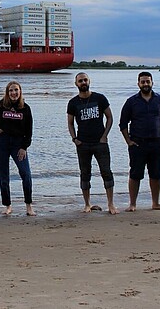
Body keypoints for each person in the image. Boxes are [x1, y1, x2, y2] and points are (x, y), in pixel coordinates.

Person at [119, 71, 160, 212]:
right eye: (142, 82)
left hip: (157, 143)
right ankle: (132, 204)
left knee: (156, 174)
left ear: (152, 83)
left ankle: (155, 203)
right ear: (138, 84)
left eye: (147, 81)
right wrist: (128, 142)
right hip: (137, 144)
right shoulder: (131, 102)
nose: (145, 84)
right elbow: (123, 124)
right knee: (135, 174)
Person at [66, 73, 117, 214]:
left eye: (85, 80)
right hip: (83, 144)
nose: (83, 82)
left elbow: (110, 117)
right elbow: (70, 123)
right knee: (85, 174)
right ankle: (87, 204)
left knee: (106, 172)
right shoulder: (73, 103)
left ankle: (111, 204)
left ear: (89, 81)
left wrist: (105, 135)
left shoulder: (99, 98)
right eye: (80, 81)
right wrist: (75, 139)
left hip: (100, 142)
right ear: (76, 83)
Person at [0, 81, 36, 216]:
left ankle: (28, 206)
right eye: (11, 90)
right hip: (1, 143)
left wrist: (24, 147)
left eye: (16, 90)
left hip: (18, 144)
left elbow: (29, 131)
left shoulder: (25, 108)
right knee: (3, 176)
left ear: (20, 92)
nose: (13, 93)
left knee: (26, 174)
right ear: (7, 92)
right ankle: (7, 205)